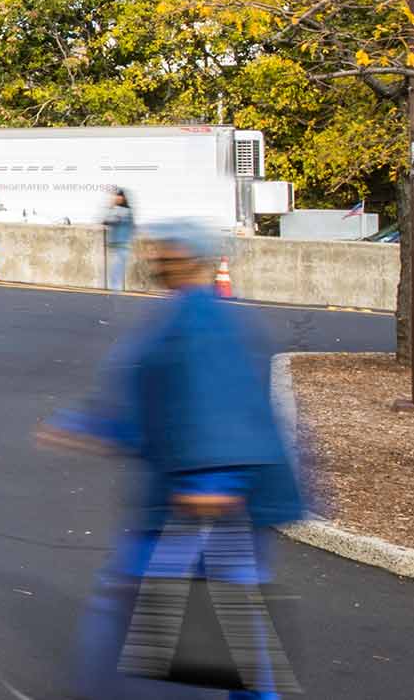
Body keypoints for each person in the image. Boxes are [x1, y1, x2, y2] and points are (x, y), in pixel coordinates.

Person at [36, 220, 304, 699]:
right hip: (205, 499)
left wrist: (213, 482)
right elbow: (158, 403)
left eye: (165, 254)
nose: (156, 262)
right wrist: (88, 428)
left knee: (131, 610)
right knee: (227, 621)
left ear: (190, 260)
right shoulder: (193, 314)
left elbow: (224, 403)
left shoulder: (201, 319)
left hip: (201, 502)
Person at [101, 186, 136, 292]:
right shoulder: (117, 210)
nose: (116, 198)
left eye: (118, 197)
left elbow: (111, 220)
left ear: (123, 198)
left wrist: (110, 208)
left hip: (122, 245)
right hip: (115, 245)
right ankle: (115, 293)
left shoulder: (125, 211)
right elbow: (105, 220)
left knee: (116, 272)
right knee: (114, 271)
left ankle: (116, 294)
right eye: (115, 197)